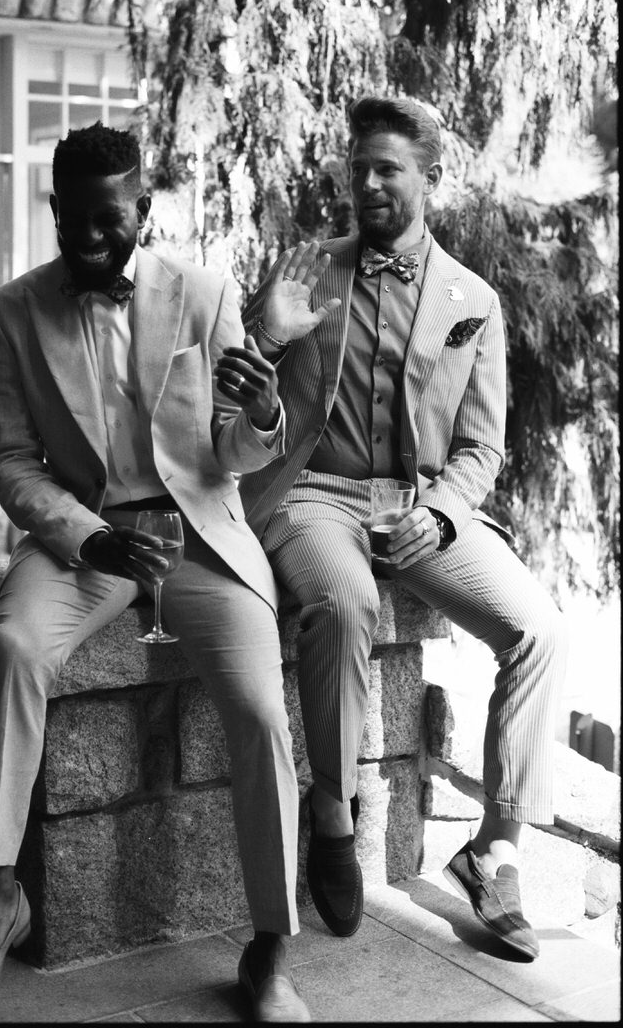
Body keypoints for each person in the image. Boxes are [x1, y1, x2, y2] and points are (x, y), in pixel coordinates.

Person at [0, 123, 310, 1022]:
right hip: (86, 543)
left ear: (141, 208)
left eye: (110, 217)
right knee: (18, 649)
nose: (91, 235)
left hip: (199, 536)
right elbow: (9, 461)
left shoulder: (204, 292)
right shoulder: (8, 313)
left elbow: (232, 449)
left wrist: (262, 412)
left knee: (262, 712)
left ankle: (267, 948)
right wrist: (87, 536)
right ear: (55, 207)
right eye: (74, 217)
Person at [238, 95, 567, 960]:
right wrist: (265, 338)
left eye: (387, 168)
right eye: (358, 168)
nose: (368, 182)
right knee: (345, 606)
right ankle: (332, 813)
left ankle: (494, 851)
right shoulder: (308, 267)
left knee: (536, 631)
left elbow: (481, 446)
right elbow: (237, 389)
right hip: (314, 490)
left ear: (430, 178)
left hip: (420, 506)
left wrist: (440, 512)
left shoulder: (474, 299)